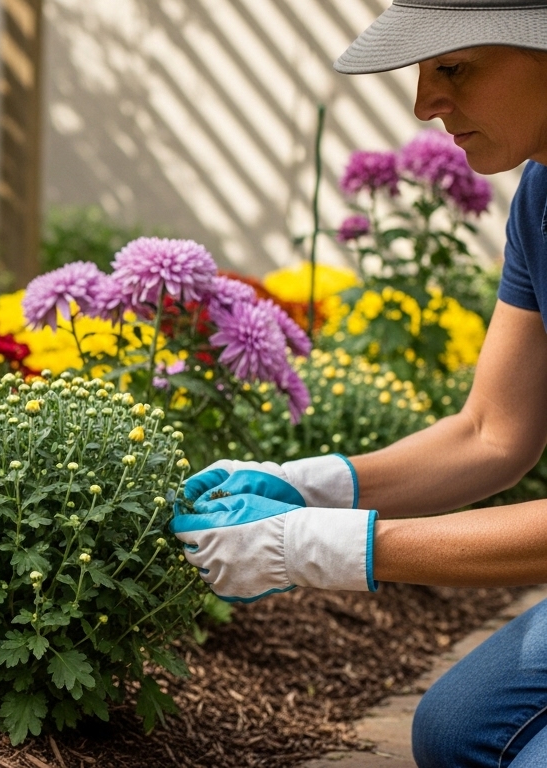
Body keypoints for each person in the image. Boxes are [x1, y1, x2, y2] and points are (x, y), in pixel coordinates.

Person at [170, 2, 547, 766]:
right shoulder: (539, 198)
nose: (425, 103)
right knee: (457, 732)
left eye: (455, 67)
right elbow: (491, 433)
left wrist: (320, 548)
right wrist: (305, 487)